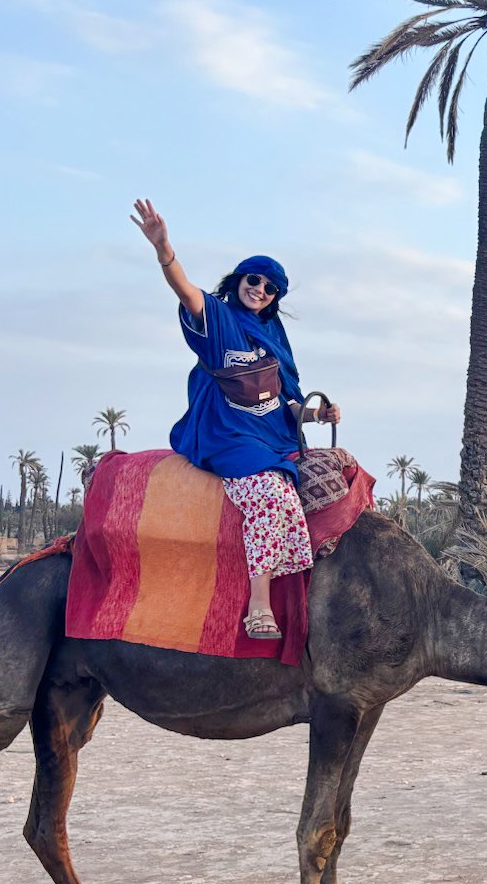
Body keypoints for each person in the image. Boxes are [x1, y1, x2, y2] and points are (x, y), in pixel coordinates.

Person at [131, 199, 341, 640]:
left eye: (270, 288)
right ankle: (258, 606)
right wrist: (164, 251)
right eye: (254, 280)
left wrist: (318, 414)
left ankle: (307, 603)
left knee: (308, 492)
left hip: (269, 435)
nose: (260, 289)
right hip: (225, 431)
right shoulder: (219, 317)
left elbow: (286, 403)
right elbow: (186, 291)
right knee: (269, 493)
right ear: (239, 279)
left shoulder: (274, 337)